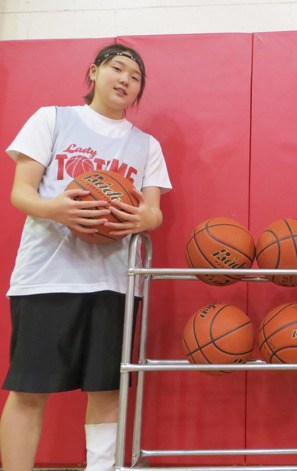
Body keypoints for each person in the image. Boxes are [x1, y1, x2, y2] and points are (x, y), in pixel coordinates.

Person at [0, 44, 171, 471]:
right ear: (93, 73)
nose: (126, 80)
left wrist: (141, 217)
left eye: (135, 77)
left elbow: (153, 212)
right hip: (46, 277)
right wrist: (58, 208)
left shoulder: (146, 145)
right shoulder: (52, 118)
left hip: (114, 280)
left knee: (108, 391)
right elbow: (21, 192)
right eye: (117, 68)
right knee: (27, 391)